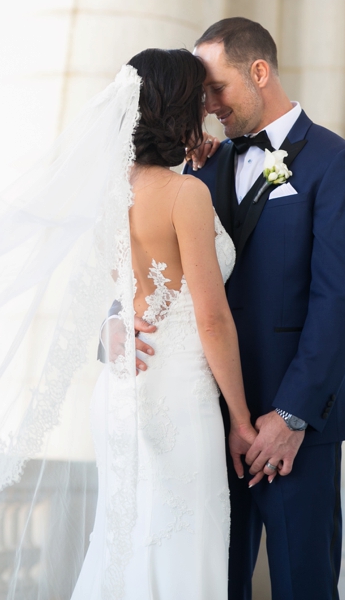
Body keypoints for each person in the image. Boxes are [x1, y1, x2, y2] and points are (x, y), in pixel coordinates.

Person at [172, 17, 345, 600]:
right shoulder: (203, 167)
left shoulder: (340, 164)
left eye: (216, 89)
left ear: (259, 72)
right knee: (215, 585)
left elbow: (340, 302)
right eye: (201, 95)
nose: (208, 106)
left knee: (302, 585)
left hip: (298, 430)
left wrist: (290, 417)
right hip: (210, 421)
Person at [73, 48, 264, 600]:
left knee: (125, 546)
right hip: (178, 395)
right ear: (177, 106)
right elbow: (210, 317)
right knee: (179, 549)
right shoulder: (186, 195)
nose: (209, 106)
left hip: (119, 389)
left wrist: (110, 330)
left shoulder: (107, 191)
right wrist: (242, 418)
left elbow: (115, 294)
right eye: (200, 96)